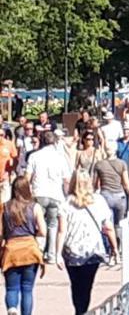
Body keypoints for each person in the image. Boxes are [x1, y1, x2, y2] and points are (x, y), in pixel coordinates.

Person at [57, 170, 118, 315]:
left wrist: (57, 253)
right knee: (87, 285)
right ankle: (82, 310)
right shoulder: (99, 201)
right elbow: (108, 227)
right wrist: (115, 248)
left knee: (75, 284)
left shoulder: (66, 204)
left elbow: (61, 231)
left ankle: (79, 309)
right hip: (93, 250)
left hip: (72, 251)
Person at [1, 175, 45, 315]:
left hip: (11, 250)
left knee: (11, 288)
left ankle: (12, 308)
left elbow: (1, 232)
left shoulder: (5, 207)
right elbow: (43, 231)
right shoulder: (35, 207)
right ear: (28, 189)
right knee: (27, 288)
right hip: (30, 250)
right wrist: (33, 232)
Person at [25, 132, 69, 265]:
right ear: (55, 142)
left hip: (38, 193)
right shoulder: (61, 157)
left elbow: (27, 177)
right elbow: (66, 179)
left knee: (36, 223)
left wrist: (27, 193)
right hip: (56, 194)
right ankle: (51, 255)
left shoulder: (34, 156)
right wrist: (66, 195)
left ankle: (37, 251)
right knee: (53, 224)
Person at [92, 149, 129, 240]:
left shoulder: (99, 164)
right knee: (119, 224)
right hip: (120, 197)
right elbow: (126, 184)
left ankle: (110, 248)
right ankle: (119, 246)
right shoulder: (122, 164)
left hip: (106, 196)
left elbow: (94, 184)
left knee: (107, 223)